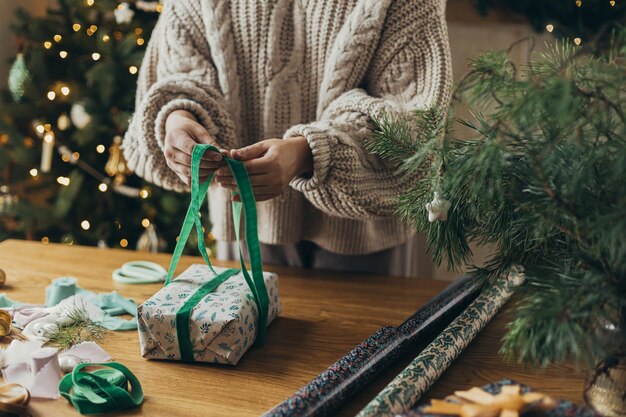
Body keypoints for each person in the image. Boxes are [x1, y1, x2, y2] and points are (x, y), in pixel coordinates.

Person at [122, 0, 452, 276]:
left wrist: (309, 153)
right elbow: (179, 70)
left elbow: (412, 122)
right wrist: (179, 118)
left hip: (363, 240)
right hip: (242, 230)